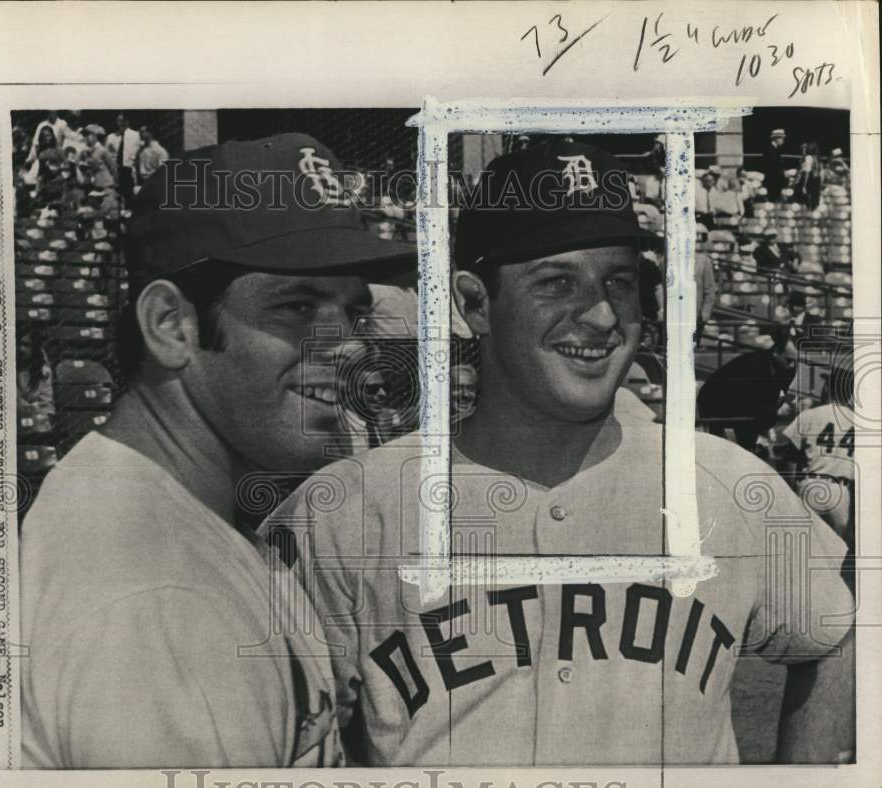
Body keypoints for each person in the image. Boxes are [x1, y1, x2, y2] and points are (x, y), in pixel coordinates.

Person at [267, 140, 853, 766]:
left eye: (620, 283)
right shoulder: (347, 510)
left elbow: (836, 635)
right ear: (472, 304)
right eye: (556, 283)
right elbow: (288, 733)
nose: (602, 316)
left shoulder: (725, 482)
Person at [20, 134, 417, 768]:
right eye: (295, 306)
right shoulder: (161, 602)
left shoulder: (170, 513)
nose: (344, 346)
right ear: (170, 327)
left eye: (351, 312)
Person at [781, 361, 856, 544]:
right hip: (840, 490)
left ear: (828, 388)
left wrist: (791, 492)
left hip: (810, 485)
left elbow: (790, 457)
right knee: (837, 551)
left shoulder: (811, 415)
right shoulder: (857, 421)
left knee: (805, 546)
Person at [697, 328, 798, 452]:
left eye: (794, 361)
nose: (792, 365)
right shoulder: (754, 365)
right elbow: (753, 403)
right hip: (716, 400)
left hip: (744, 401)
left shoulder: (785, 368)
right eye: (789, 360)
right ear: (776, 352)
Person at [16, 329, 55, 420]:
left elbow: (46, 402)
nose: (22, 349)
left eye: (26, 345)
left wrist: (32, 408)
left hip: (37, 414)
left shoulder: (44, 372)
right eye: (20, 344)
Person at [105, 113, 141, 205]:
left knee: (129, 195)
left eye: (122, 120)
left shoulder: (135, 135)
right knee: (116, 194)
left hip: (129, 169)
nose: (120, 123)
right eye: (118, 120)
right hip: (116, 169)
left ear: (127, 122)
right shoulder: (111, 137)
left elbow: (139, 153)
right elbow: (107, 154)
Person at [793, 141, 822, 211]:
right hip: (815, 180)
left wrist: (804, 185)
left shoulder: (809, 158)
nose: (804, 151)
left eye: (805, 149)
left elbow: (807, 172)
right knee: (813, 199)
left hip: (810, 180)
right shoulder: (816, 158)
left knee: (807, 198)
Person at [762, 128, 787, 202]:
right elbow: (773, 166)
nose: (783, 141)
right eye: (782, 139)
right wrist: (783, 173)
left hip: (774, 180)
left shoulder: (774, 149)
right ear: (776, 139)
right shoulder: (771, 150)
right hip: (773, 180)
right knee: (774, 199)